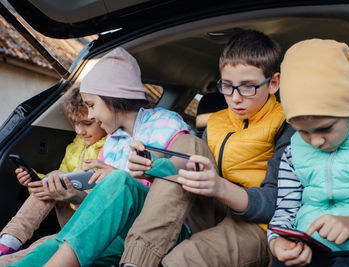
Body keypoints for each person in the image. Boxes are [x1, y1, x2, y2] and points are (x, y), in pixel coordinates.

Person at [122, 29, 295, 266]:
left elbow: (277, 202)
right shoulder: (215, 121)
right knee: (188, 144)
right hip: (209, 211)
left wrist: (220, 187)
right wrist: (153, 168)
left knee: (185, 258)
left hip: (256, 226)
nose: (235, 98)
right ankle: (136, 260)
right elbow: (190, 173)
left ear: (273, 83)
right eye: (227, 86)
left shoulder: (286, 124)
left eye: (247, 87)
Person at [10, 47, 195, 267]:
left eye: (91, 105)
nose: (91, 115)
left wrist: (127, 173)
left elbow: (187, 169)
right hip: (117, 234)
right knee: (53, 247)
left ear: (113, 99)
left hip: (164, 228)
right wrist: (74, 197)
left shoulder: (166, 123)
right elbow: (104, 210)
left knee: (119, 180)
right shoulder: (113, 141)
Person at [267, 39, 349, 266]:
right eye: (302, 131)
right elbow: (284, 214)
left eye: (325, 127)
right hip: (308, 251)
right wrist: (276, 242)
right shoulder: (292, 153)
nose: (316, 141)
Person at [0, 87, 107, 263]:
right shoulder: (75, 146)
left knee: (45, 245)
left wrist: (74, 194)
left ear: (101, 118)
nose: (80, 131)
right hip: (70, 215)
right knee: (56, 176)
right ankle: (9, 240)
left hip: (90, 220)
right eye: (75, 123)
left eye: (87, 124)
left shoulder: (109, 146)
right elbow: (61, 180)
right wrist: (37, 181)